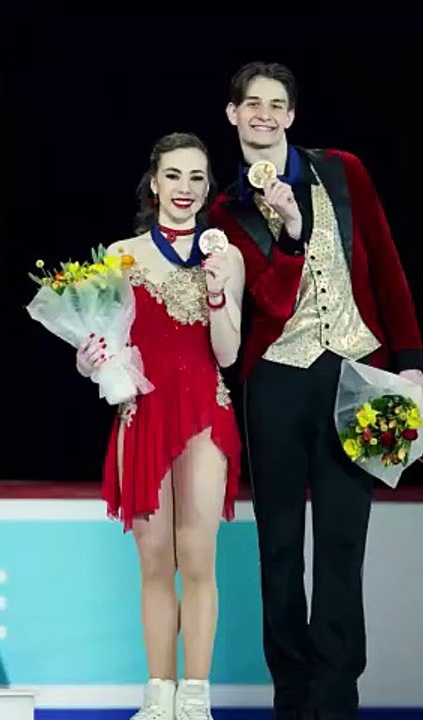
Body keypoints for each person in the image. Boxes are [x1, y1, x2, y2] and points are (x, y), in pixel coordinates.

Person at [207, 61, 422, 720]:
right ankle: (293, 697)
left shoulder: (343, 170)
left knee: (340, 546)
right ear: (233, 115)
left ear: (292, 116)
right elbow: (267, 298)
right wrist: (290, 231)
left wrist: (412, 360)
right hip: (276, 379)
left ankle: (335, 701)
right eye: (253, 105)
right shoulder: (225, 208)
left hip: (361, 371)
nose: (265, 115)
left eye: (277, 105)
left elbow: (384, 259)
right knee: (277, 546)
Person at [77, 133, 244, 720]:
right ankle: (158, 694)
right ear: (154, 181)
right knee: (154, 563)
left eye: (197, 177)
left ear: (207, 186)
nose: (185, 189)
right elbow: (96, 342)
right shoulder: (122, 254)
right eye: (174, 176)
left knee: (197, 558)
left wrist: (220, 294)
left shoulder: (226, 256)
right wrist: (95, 358)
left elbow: (228, 354)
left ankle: (195, 699)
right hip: (141, 414)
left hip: (204, 410)